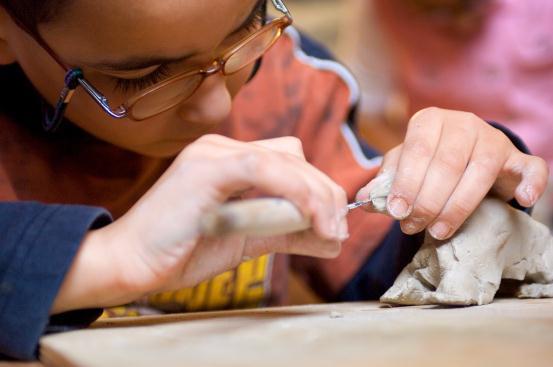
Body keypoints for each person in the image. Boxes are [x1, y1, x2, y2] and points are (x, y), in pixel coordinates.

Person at [0, 0, 547, 360]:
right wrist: (103, 261)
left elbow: (389, 257)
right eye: (145, 78)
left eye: (244, 33)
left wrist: (461, 187)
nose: (216, 108)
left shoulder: (295, 84)